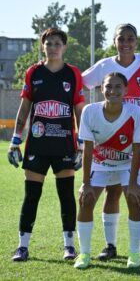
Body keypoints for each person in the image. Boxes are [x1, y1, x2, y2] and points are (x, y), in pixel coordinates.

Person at [82, 23, 140, 260]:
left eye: (130, 39)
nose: (126, 43)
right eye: (121, 39)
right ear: (114, 41)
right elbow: (80, 81)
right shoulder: (105, 66)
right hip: (113, 142)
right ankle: (110, 245)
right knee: (113, 192)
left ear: (136, 42)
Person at [7, 28, 85, 261]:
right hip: (38, 145)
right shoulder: (33, 72)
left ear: (64, 47)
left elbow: (79, 112)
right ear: (43, 46)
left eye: (57, 43)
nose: (53, 47)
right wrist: (15, 141)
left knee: (66, 195)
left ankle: (69, 246)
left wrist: (81, 145)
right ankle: (22, 246)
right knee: (31, 195)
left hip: (64, 145)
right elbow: (24, 110)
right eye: (48, 43)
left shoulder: (72, 74)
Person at [74, 72, 140, 269]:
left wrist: (132, 184)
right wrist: (86, 183)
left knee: (134, 199)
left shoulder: (135, 112)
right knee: (85, 200)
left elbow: (137, 149)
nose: (112, 91)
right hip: (100, 164)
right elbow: (87, 149)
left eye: (117, 87)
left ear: (125, 90)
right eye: (108, 87)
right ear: (101, 89)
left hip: (126, 164)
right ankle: (85, 254)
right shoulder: (89, 111)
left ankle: (134, 253)